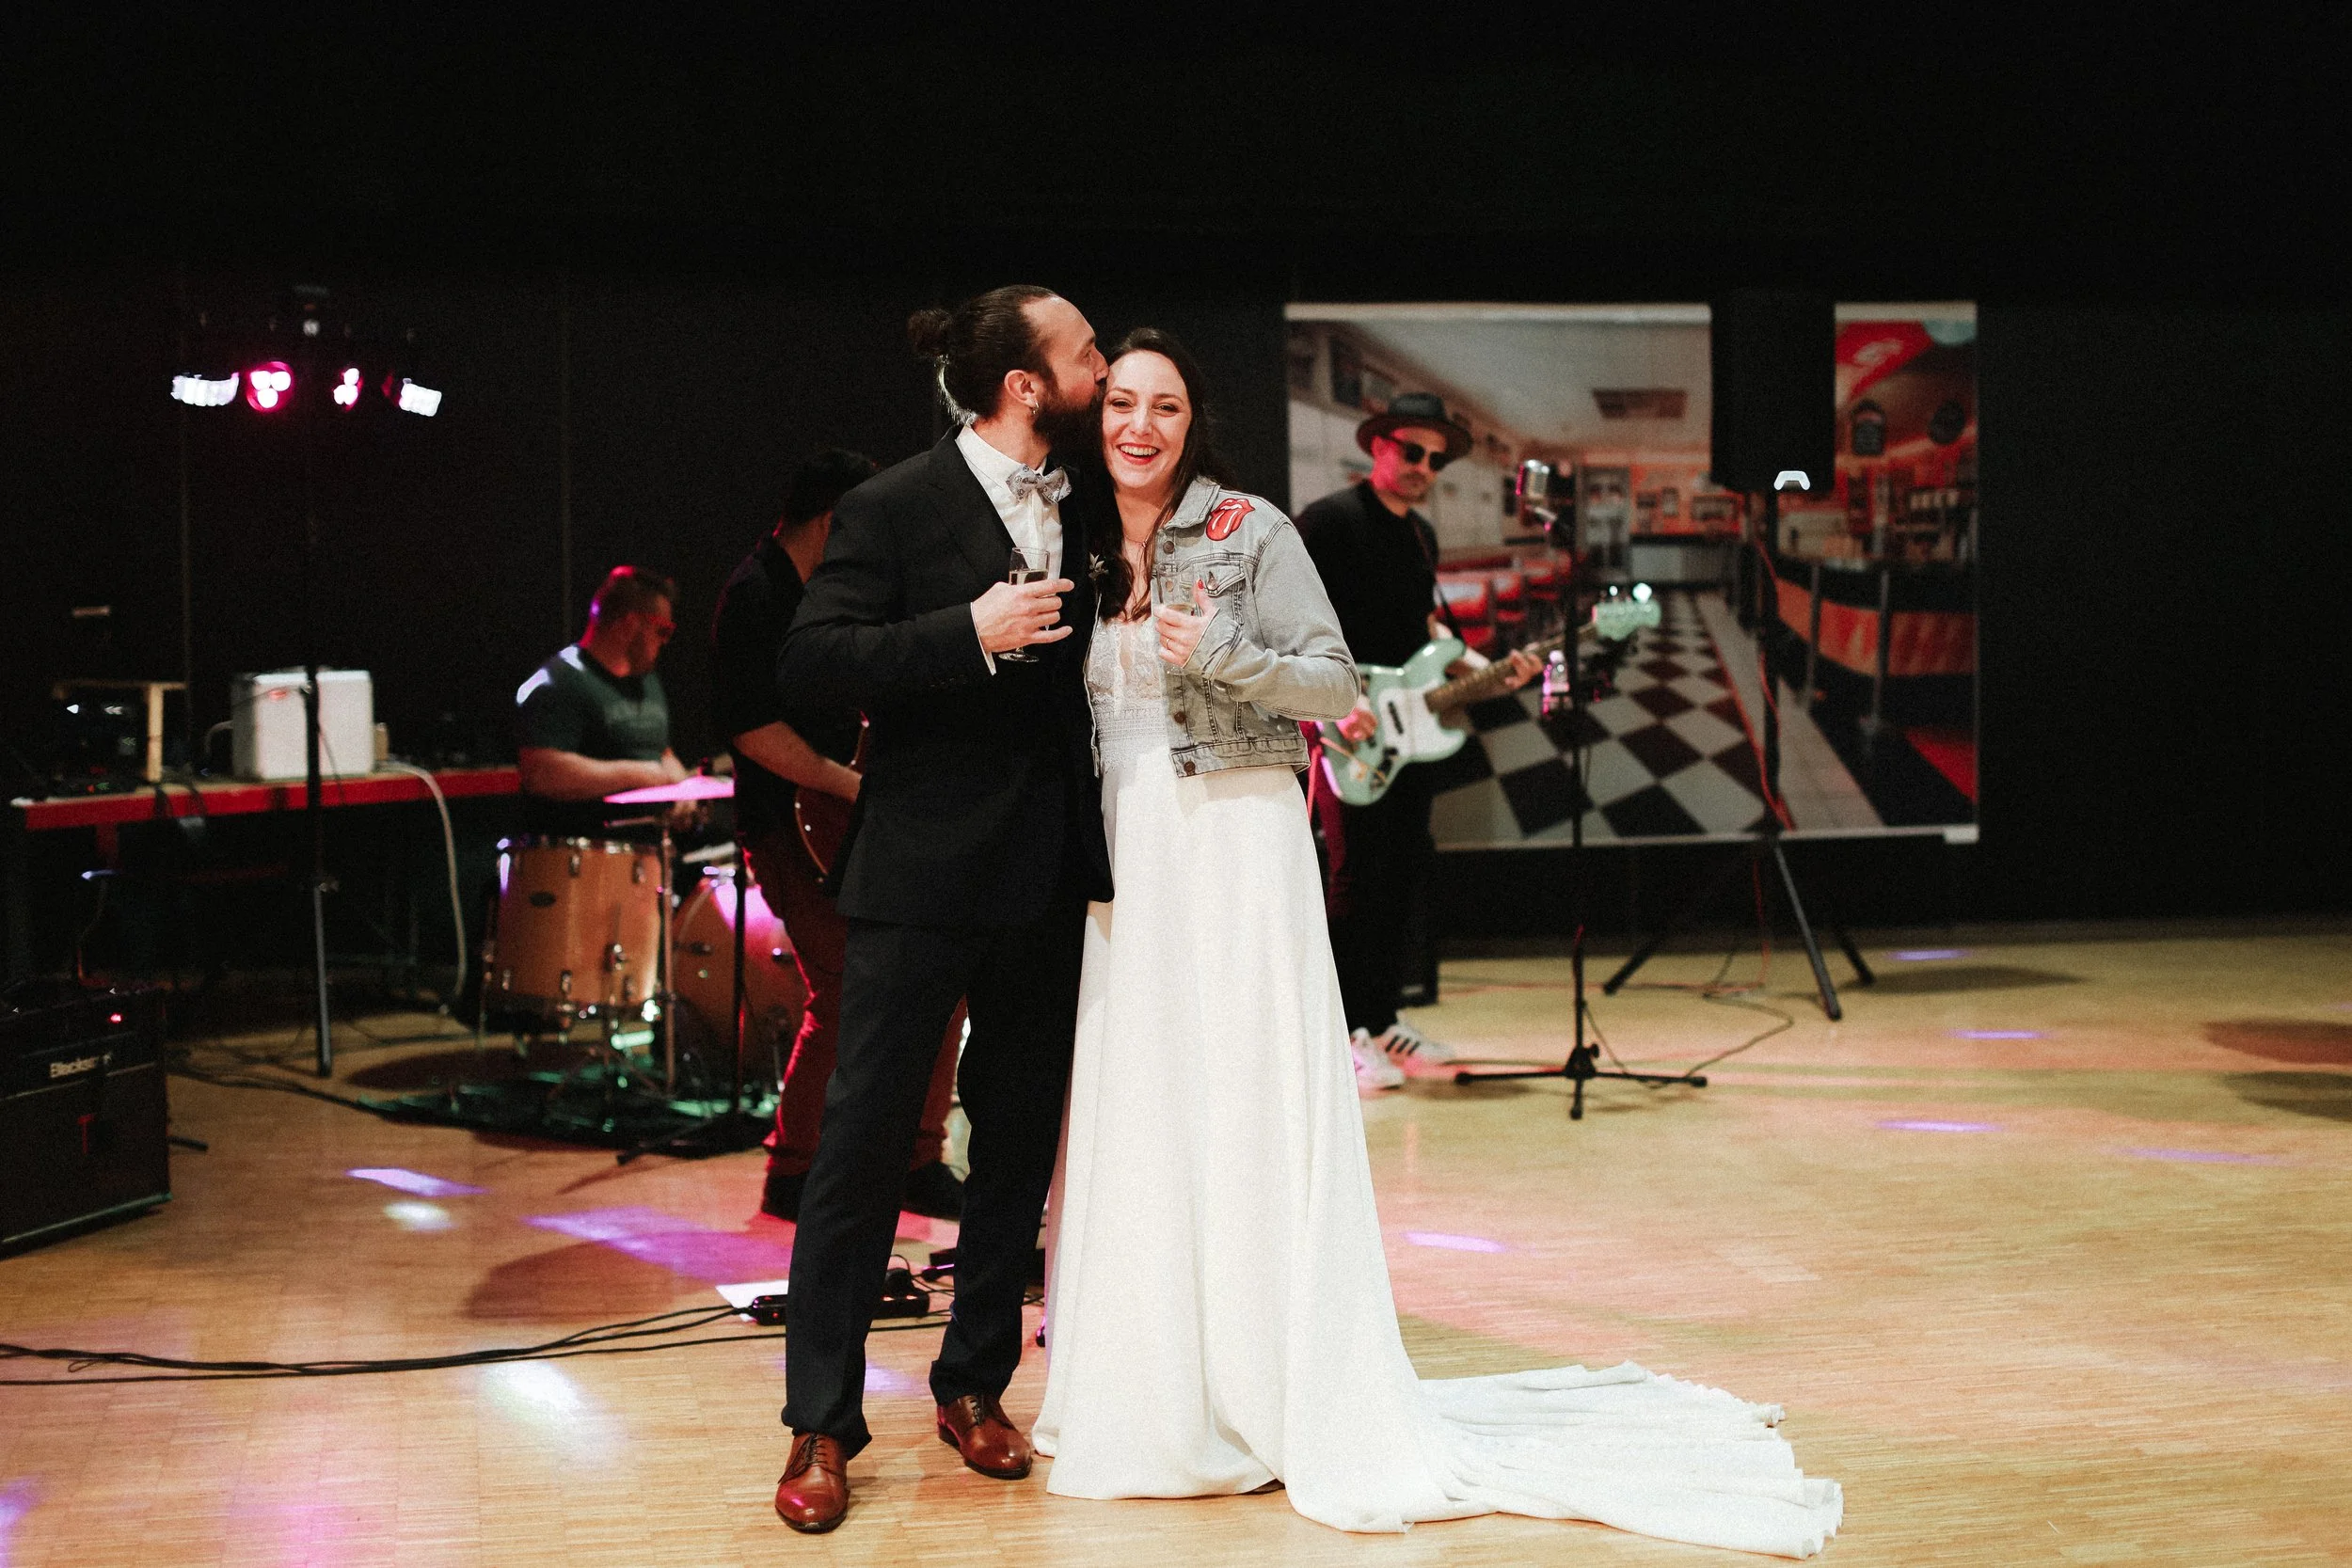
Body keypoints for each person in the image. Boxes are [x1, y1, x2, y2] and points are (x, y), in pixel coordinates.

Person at [1033, 333, 1842, 1557]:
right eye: (1124, 403)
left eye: (1169, 404)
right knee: (1142, 1105)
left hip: (1234, 846)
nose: (1141, 424)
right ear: (1096, 417)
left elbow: (1325, 685)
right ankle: (1148, 1384)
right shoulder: (1067, 541)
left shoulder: (1251, 529)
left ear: (1198, 421)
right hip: (1124, 857)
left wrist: (1228, 655)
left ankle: (1265, 1375)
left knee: (1246, 1104)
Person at [768, 286, 1112, 1534]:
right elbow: (810, 660)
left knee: (1013, 1148)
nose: (1105, 367)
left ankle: (973, 1383)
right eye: (1086, 353)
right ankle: (822, 1421)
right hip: (916, 870)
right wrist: (962, 630)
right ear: (1026, 384)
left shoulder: (1094, 507)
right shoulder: (895, 503)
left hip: (1045, 867)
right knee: (862, 1153)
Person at [708, 450, 965, 1225]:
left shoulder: (829, 591)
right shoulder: (755, 597)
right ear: (831, 520)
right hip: (791, 828)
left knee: (941, 982)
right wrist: (851, 782)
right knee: (846, 990)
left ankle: (919, 1157)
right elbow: (752, 731)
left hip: (848, 819)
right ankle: (793, 1170)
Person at [1295, 395, 1542, 1086]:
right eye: (1412, 451)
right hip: (1349, 725)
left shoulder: (1421, 536)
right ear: (1378, 446)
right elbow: (1288, 621)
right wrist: (1333, 708)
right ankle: (1342, 1032)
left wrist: (1487, 672)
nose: (1423, 467)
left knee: (1400, 872)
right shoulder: (1330, 522)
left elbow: (1426, 634)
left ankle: (1383, 1019)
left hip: (1411, 727)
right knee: (1352, 879)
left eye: (1436, 459)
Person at [514, 565, 688, 837]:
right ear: (630, 624)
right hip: (586, 855)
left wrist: (682, 786)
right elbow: (540, 772)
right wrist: (639, 774)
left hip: (648, 854)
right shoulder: (559, 681)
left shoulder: (647, 679)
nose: (665, 642)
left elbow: (659, 752)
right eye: (662, 631)